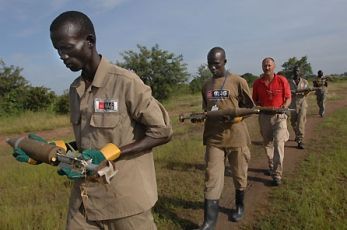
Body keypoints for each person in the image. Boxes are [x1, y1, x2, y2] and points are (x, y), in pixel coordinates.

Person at [13, 11, 173, 230]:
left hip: (124, 200)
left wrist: (112, 152)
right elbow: (89, 140)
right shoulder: (75, 89)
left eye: (67, 47)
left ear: (89, 41)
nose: (62, 56)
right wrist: (54, 150)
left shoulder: (125, 82)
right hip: (85, 198)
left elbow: (162, 132)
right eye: (57, 50)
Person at [195, 47, 254, 229]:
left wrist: (235, 116)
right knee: (211, 176)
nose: (213, 68)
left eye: (216, 64)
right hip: (214, 138)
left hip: (237, 136)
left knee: (239, 174)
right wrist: (202, 115)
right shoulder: (206, 85)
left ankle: (239, 205)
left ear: (225, 62)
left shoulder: (238, 81)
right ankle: (209, 222)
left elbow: (250, 108)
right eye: (210, 64)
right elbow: (208, 109)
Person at [252, 57, 291, 186]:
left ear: (274, 66)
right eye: (265, 65)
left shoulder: (281, 80)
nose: (267, 67)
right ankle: (271, 165)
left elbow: (288, 98)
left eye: (269, 65)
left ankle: (277, 174)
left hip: (279, 117)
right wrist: (258, 106)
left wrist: (284, 106)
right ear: (262, 67)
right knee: (268, 144)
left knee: (279, 144)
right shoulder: (257, 83)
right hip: (264, 117)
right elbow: (255, 100)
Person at [289, 66, 310, 149]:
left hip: (302, 103)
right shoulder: (289, 82)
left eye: (297, 71)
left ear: (300, 72)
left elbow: (306, 93)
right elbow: (287, 93)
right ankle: (297, 133)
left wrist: (306, 91)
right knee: (293, 122)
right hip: (292, 104)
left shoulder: (304, 82)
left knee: (301, 121)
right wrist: (291, 93)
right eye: (295, 71)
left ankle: (300, 140)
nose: (296, 72)